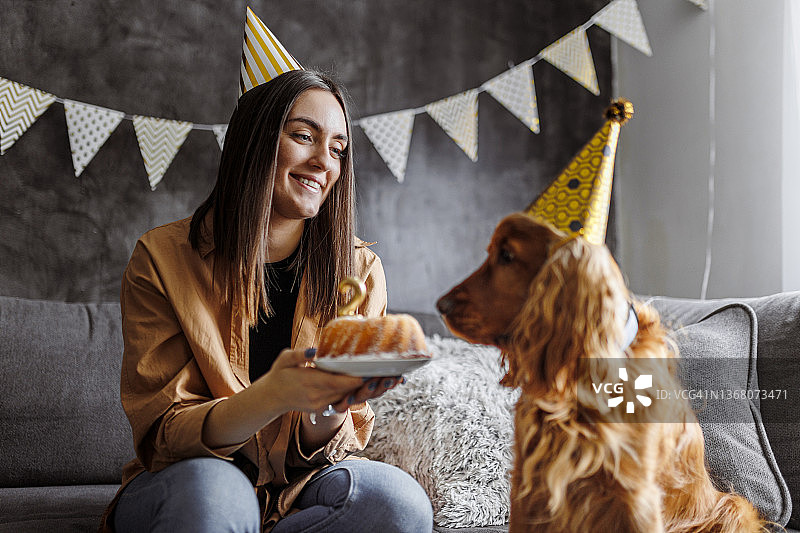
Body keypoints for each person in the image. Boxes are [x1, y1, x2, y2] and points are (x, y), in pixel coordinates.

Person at [102, 69, 434, 533]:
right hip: (189, 479)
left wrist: (331, 399)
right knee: (218, 496)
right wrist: (271, 395)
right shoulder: (160, 259)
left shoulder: (359, 271)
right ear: (255, 141)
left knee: (398, 504)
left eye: (338, 149)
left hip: (298, 485)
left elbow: (334, 444)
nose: (325, 162)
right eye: (304, 136)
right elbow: (166, 437)